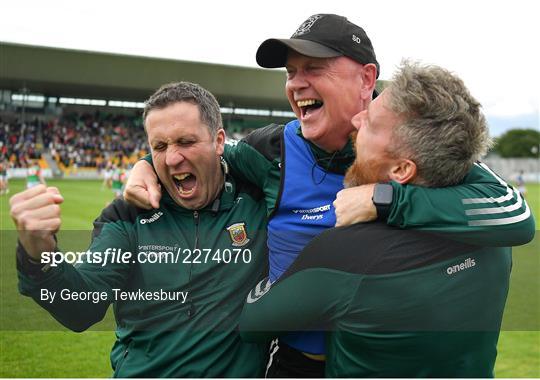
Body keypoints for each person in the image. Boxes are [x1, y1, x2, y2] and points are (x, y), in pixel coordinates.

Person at [124, 14, 535, 377]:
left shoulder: (412, 142)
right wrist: (145, 163)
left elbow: (516, 215)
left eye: (314, 68)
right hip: (293, 360)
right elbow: (197, 154)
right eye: (290, 71)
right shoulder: (271, 150)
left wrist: (382, 198)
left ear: (367, 79)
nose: (297, 82)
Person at [239, 61, 514, 377]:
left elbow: (254, 322)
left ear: (401, 170)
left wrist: (284, 266)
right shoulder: (494, 237)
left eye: (369, 123)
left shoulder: (346, 252)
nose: (356, 121)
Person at [10, 82, 269, 377]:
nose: (172, 158)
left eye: (186, 142)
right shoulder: (127, 216)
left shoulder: (257, 199)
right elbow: (81, 307)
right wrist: (39, 254)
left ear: (219, 141)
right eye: (159, 147)